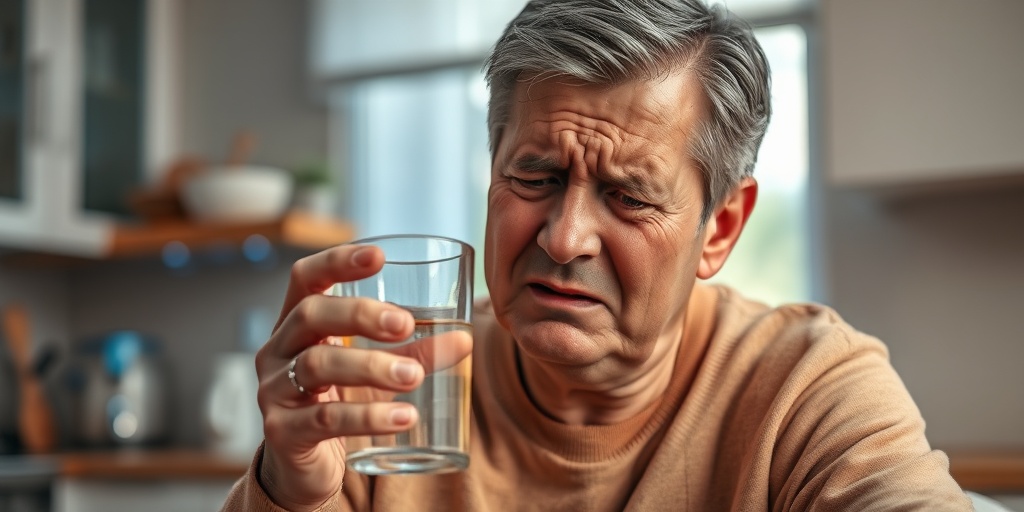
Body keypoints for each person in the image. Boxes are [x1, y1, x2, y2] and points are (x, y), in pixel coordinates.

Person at [222, 0, 971, 510]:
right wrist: (292, 493)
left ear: (720, 228)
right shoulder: (389, 394)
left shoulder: (807, 388)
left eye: (629, 196)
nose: (564, 236)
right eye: (535, 177)